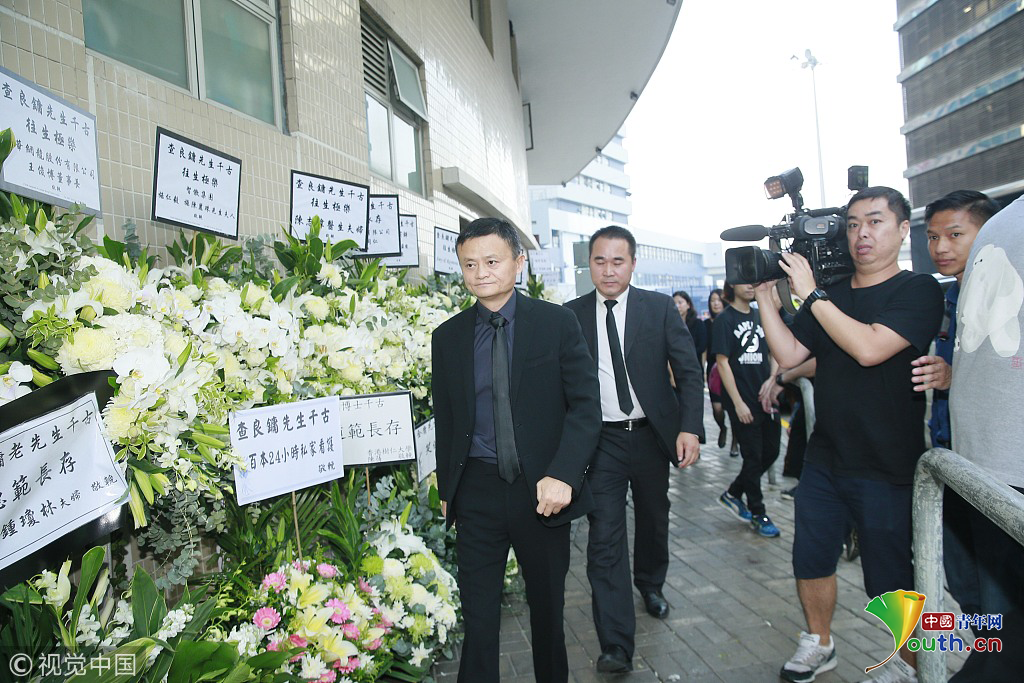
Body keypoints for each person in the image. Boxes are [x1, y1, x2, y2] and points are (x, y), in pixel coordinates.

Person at [754, 187, 943, 683]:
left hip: (887, 463)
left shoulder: (918, 290)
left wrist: (812, 294)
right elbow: (790, 356)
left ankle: (910, 666)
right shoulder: (833, 294)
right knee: (811, 558)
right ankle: (819, 643)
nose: (862, 233)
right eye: (854, 224)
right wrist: (766, 300)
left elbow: (869, 348)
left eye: (876, 221)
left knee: (892, 580)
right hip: (825, 458)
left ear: (903, 229)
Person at [431, 217, 602, 683]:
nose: (481, 272)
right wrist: (448, 488)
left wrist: (564, 474)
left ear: (518, 262)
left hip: (543, 492)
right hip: (476, 493)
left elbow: (586, 406)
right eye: (470, 264)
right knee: (478, 617)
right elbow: (447, 418)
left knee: (547, 612)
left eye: (492, 261)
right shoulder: (447, 337)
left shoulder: (556, 323)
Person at [565, 226, 703, 674]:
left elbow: (688, 371)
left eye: (617, 261)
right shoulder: (570, 315)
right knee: (604, 536)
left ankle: (650, 582)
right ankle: (616, 644)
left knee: (653, 516)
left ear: (633, 263)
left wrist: (690, 428)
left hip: (650, 436)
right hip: (600, 441)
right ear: (589, 263)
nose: (608, 270)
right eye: (599, 261)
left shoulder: (658, 309)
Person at [908, 190, 997, 626]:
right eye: (932, 237)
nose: (940, 247)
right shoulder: (948, 297)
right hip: (952, 463)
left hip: (995, 470)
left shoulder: (1004, 296)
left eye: (955, 234)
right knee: (965, 587)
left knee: (1000, 592)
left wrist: (953, 376)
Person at [947, 194, 1024, 680]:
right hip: (992, 470)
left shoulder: (1000, 222)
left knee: (998, 637)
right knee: (998, 633)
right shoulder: (1002, 223)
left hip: (986, 466)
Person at [712, 282, 782, 537]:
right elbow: (722, 363)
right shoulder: (725, 320)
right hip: (742, 400)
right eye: (745, 281)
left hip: (766, 398)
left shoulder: (762, 315)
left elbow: (775, 352)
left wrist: (773, 380)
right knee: (753, 457)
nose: (751, 286)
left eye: (754, 281)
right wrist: (738, 403)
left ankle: (733, 492)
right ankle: (758, 512)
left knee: (771, 452)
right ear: (732, 285)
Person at [706, 288, 738, 455]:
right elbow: (704, 350)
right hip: (713, 373)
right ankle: (722, 428)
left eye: (718, 299)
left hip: (730, 369)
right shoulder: (707, 324)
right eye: (712, 300)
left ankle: (735, 442)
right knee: (717, 409)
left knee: (733, 409)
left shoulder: (730, 320)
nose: (716, 303)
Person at [673, 290, 707, 362]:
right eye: (674, 303)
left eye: (680, 303)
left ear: (688, 305)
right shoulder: (671, 326)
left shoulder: (698, 323)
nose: (677, 306)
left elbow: (702, 346)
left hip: (694, 362)